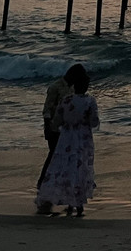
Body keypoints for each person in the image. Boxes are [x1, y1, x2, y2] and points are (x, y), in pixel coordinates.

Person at [35, 67, 100, 216]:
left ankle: (61, 196)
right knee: (67, 164)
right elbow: (47, 110)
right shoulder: (57, 88)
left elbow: (60, 115)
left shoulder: (67, 97)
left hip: (65, 133)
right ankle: (67, 198)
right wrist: (49, 129)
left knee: (62, 163)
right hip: (70, 134)